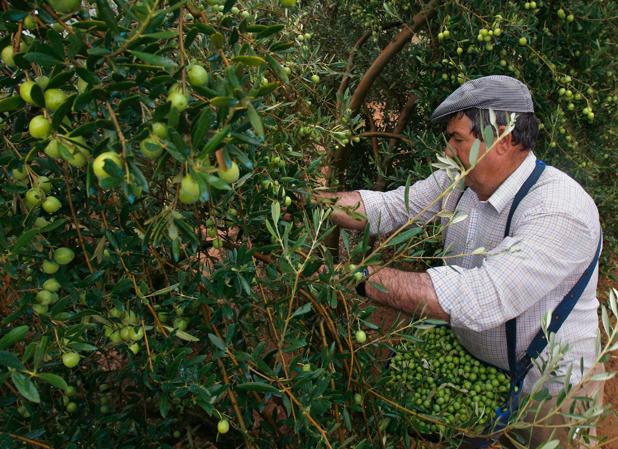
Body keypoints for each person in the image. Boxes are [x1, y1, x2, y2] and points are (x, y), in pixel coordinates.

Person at [322, 76, 604, 448]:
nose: (449, 151)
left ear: (503, 138)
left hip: (550, 393)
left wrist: (359, 277)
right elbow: (388, 208)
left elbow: (478, 297)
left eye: (458, 139)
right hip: (480, 372)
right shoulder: (459, 183)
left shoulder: (558, 209)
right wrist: (312, 202)